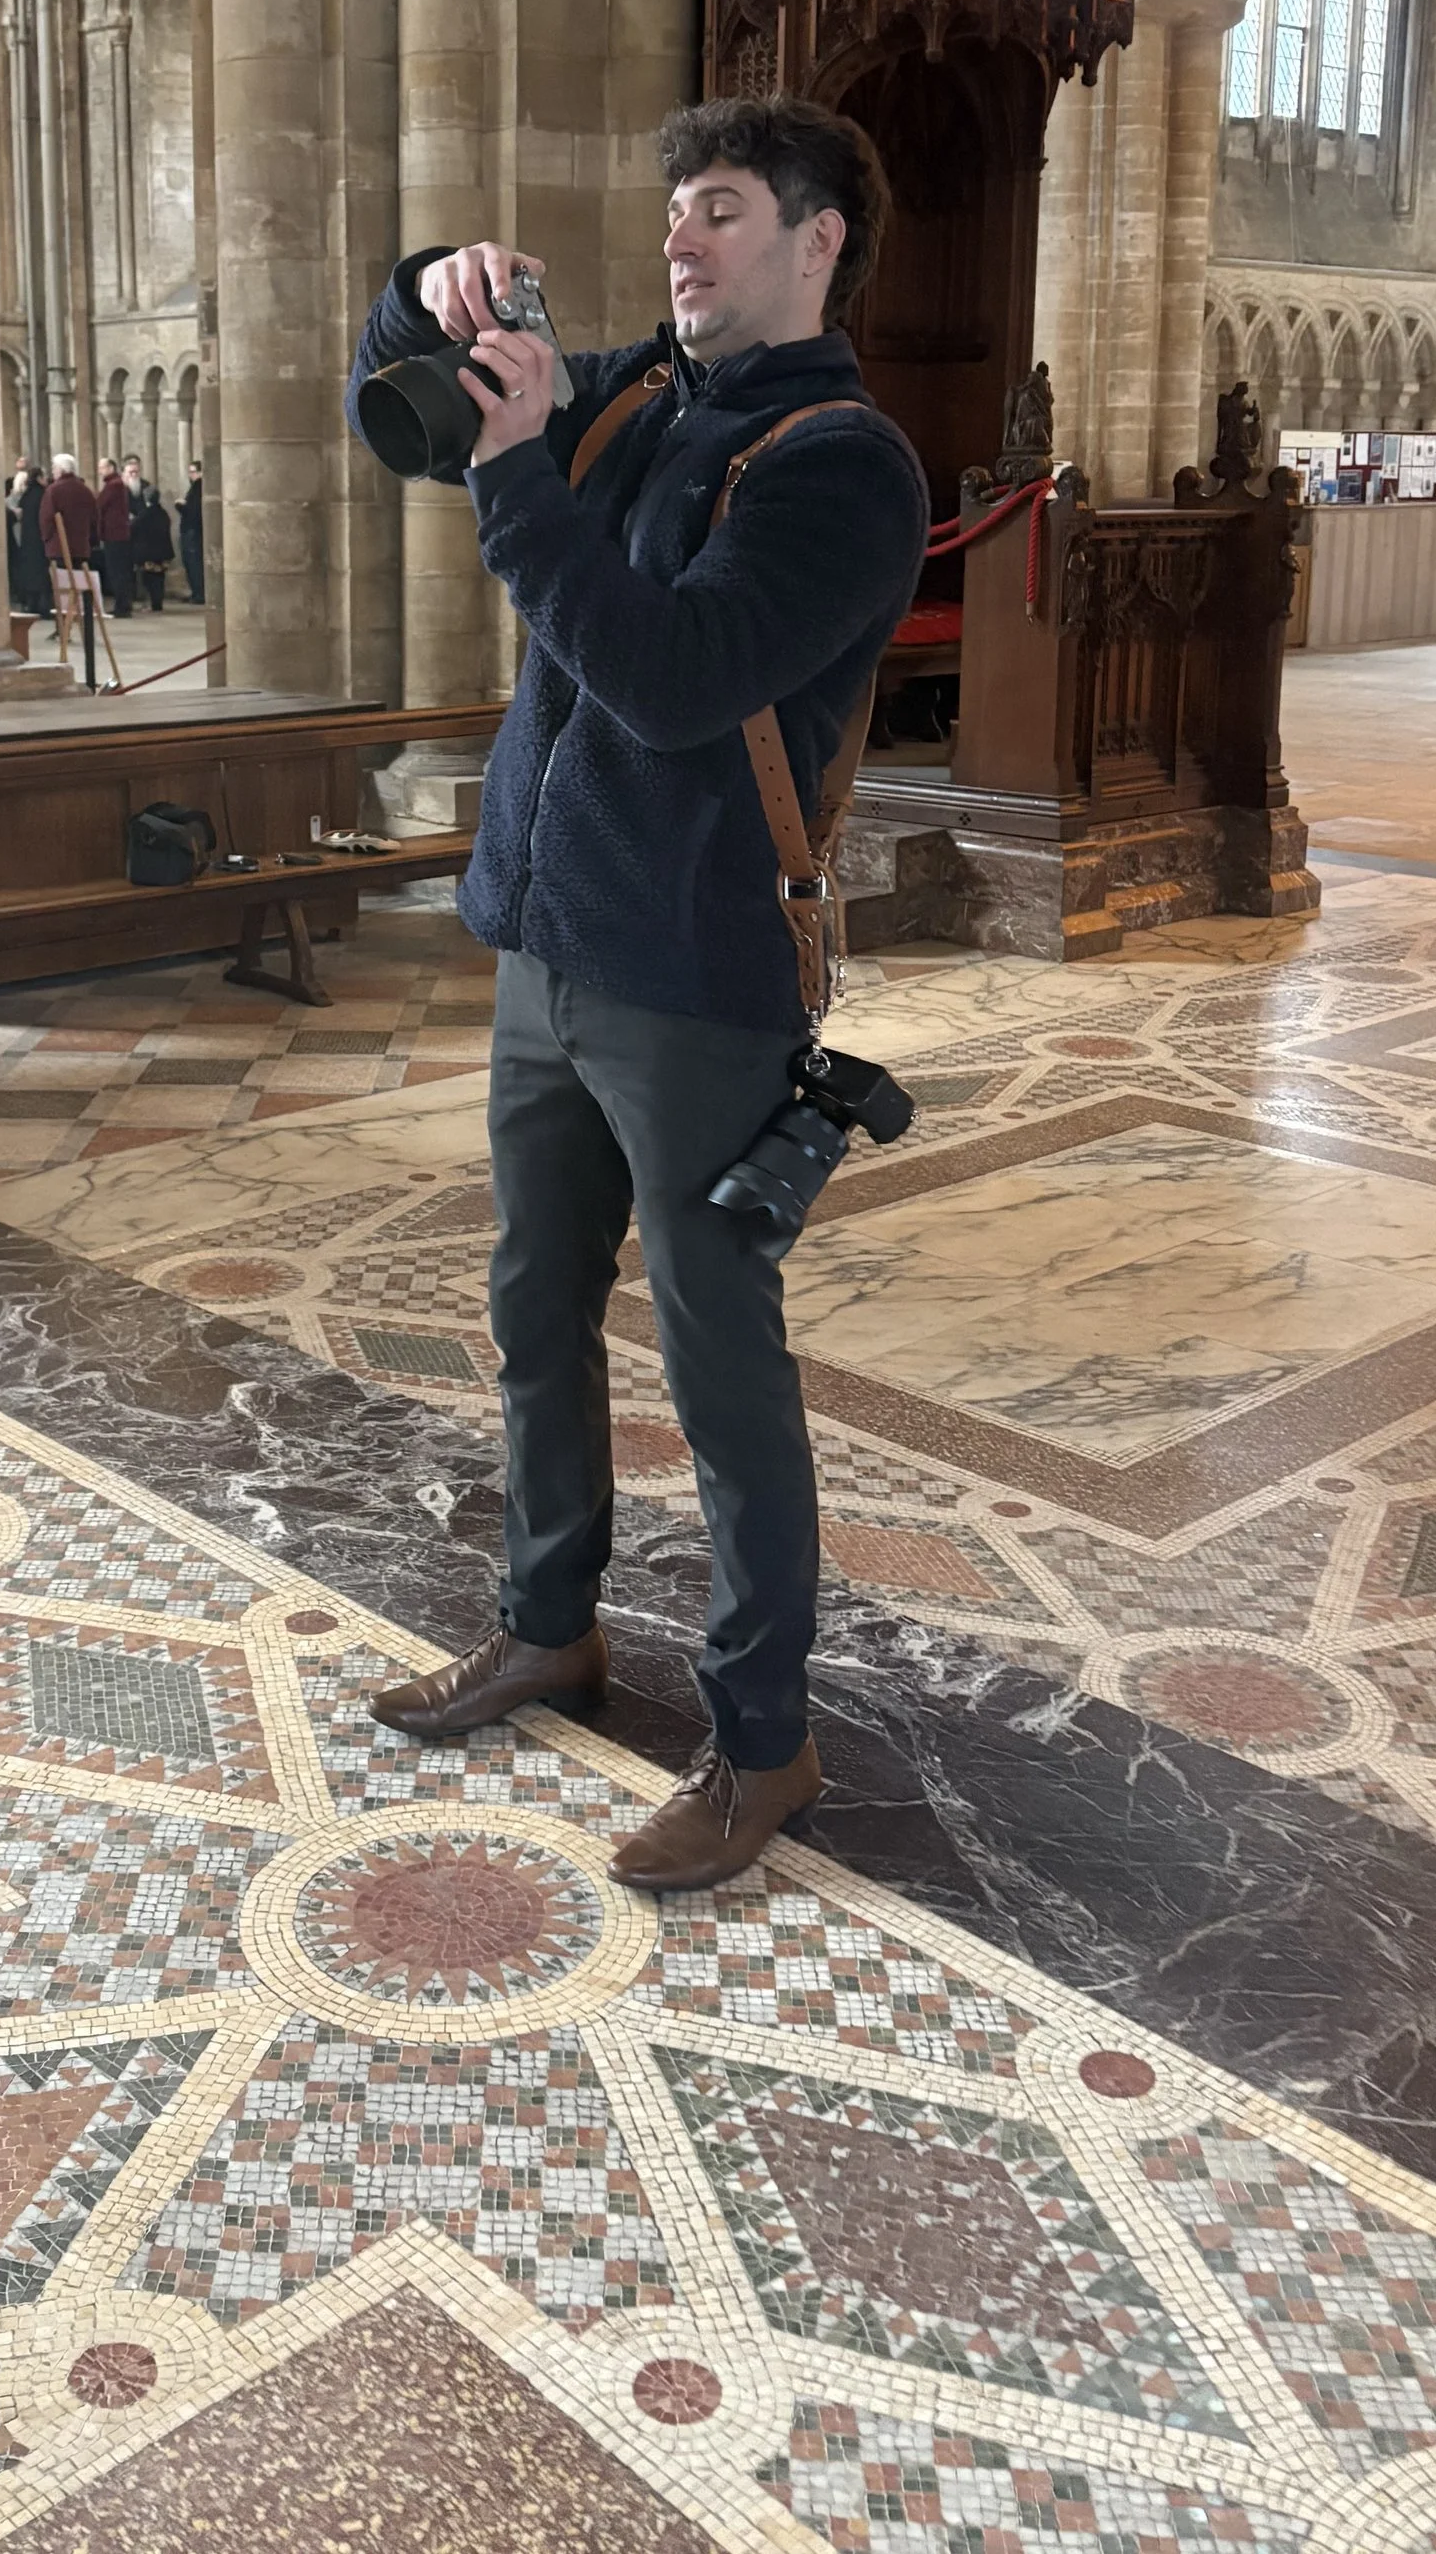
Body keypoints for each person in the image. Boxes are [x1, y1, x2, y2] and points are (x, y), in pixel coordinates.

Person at [343, 93, 927, 1893]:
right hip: (548, 946)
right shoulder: (642, 398)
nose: (681, 241)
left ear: (818, 240)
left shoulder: (844, 462)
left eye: (724, 212)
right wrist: (425, 299)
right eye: (677, 211)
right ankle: (550, 1620)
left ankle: (765, 1739)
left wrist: (522, 478)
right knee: (534, 1309)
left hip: (693, 973)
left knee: (718, 1360)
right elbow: (404, 414)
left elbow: (676, 681)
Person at [41, 451, 98, 587]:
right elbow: (94, 517)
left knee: (63, 585)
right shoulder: (85, 490)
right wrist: (92, 540)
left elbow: (46, 518)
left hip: (59, 546)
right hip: (81, 546)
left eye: (54, 468)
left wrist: (46, 538)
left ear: (61, 470)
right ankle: (86, 608)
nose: (53, 472)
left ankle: (68, 608)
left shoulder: (53, 490)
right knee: (81, 583)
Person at [5, 457, 51, 615]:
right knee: (42, 576)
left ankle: (31, 604)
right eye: (44, 477)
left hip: (27, 541)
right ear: (39, 478)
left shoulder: (27, 497)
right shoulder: (44, 495)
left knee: (31, 575)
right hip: (41, 541)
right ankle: (44, 607)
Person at [94, 456, 135, 615]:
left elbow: (100, 505)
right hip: (117, 533)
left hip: (115, 534)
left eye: (102, 467)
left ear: (111, 468)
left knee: (117, 571)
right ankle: (123, 605)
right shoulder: (115, 485)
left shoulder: (114, 485)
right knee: (119, 571)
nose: (99, 471)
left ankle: (122, 607)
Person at [133, 478, 175, 612]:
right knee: (159, 580)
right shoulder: (163, 513)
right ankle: (158, 604)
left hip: (149, 554)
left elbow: (133, 528)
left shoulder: (145, 514)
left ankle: (152, 604)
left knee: (149, 580)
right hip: (163, 553)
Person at [179, 461, 205, 604]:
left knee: (194, 563)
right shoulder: (196, 487)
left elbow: (193, 511)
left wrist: (180, 506)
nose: (191, 475)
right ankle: (196, 592)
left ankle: (199, 594)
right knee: (190, 564)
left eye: (193, 472)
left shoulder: (198, 486)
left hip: (193, 531)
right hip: (192, 531)